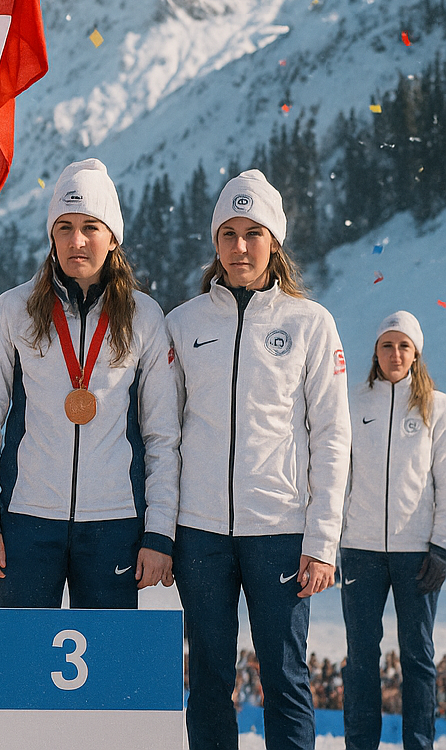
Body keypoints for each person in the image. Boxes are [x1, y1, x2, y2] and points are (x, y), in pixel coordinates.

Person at [166, 169, 350, 750]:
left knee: (287, 680)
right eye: (228, 234)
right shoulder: (184, 323)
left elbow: (332, 437)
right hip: (200, 534)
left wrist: (322, 542)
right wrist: (163, 530)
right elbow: (162, 437)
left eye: (254, 233)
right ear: (215, 242)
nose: (240, 247)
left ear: (275, 241)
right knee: (210, 681)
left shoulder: (309, 324)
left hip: (279, 531)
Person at [0, 159, 180, 607]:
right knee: (23, 667)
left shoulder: (145, 318)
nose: (75, 241)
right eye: (63, 227)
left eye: (90, 227)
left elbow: (162, 435)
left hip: (115, 522)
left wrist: (159, 531)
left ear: (113, 236)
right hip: (26, 519)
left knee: (105, 671)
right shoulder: (13, 309)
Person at [339, 310, 446, 750]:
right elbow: (336, 474)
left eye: (404, 346)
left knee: (418, 658)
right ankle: (359, 743)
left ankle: (419, 743)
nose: (395, 353)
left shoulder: (436, 407)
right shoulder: (353, 401)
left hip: (416, 552)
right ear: (376, 351)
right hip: (360, 548)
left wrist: (440, 546)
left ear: (416, 353)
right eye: (387, 344)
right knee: (361, 658)